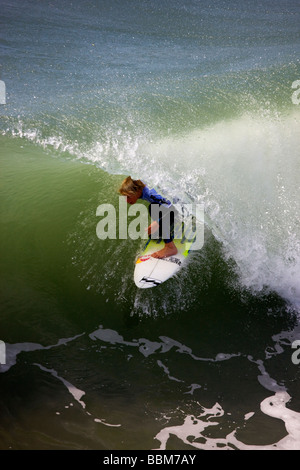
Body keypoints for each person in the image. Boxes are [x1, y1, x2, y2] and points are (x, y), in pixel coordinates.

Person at [119, 176, 178, 259]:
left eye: (128, 197)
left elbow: (174, 209)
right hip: (171, 206)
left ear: (137, 190)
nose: (126, 201)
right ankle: (164, 230)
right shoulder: (142, 187)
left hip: (181, 207)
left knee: (153, 207)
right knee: (153, 208)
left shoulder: (151, 194)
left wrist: (157, 222)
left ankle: (170, 247)